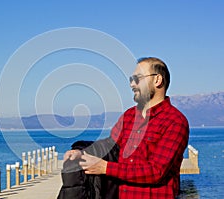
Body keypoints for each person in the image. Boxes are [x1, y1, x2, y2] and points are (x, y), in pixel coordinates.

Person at [61, 57, 189, 199]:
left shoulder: (175, 121)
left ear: (157, 80)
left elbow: (156, 171)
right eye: (131, 79)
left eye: (138, 78)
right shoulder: (129, 116)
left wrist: (105, 168)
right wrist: (82, 152)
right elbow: (111, 146)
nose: (132, 84)